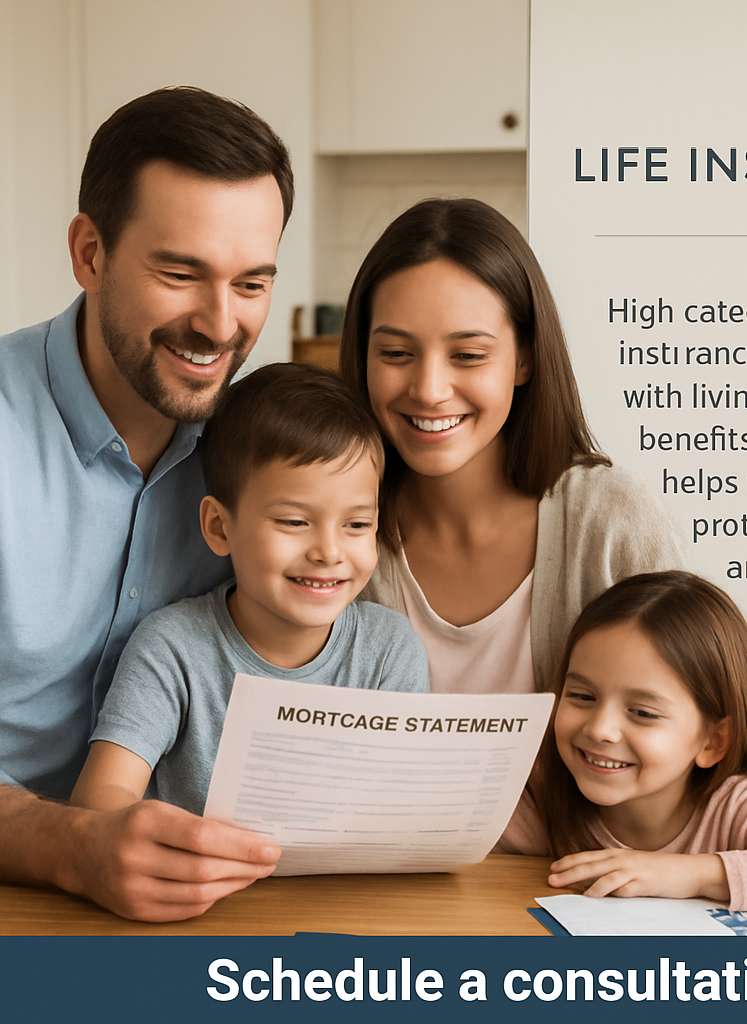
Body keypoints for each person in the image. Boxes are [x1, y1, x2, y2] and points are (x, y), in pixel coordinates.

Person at [0, 86, 294, 919]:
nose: (220, 324)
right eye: (180, 273)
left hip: (195, 906)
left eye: (252, 284)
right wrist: (73, 848)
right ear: (89, 253)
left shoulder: (263, 453)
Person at [339, 198, 687, 696]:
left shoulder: (610, 519)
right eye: (395, 353)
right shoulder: (333, 533)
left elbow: (708, 716)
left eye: (469, 355)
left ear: (523, 360)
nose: (429, 389)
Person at [71, 363, 430, 817]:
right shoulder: (171, 648)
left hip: (347, 888)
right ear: (219, 527)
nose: (329, 551)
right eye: (294, 522)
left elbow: (404, 809)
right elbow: (99, 799)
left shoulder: (389, 652)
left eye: (357, 525)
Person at [497, 571, 747, 913]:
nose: (600, 729)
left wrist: (683, 872)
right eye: (583, 697)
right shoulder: (533, 794)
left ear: (713, 742)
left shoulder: (736, 808)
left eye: (642, 713)